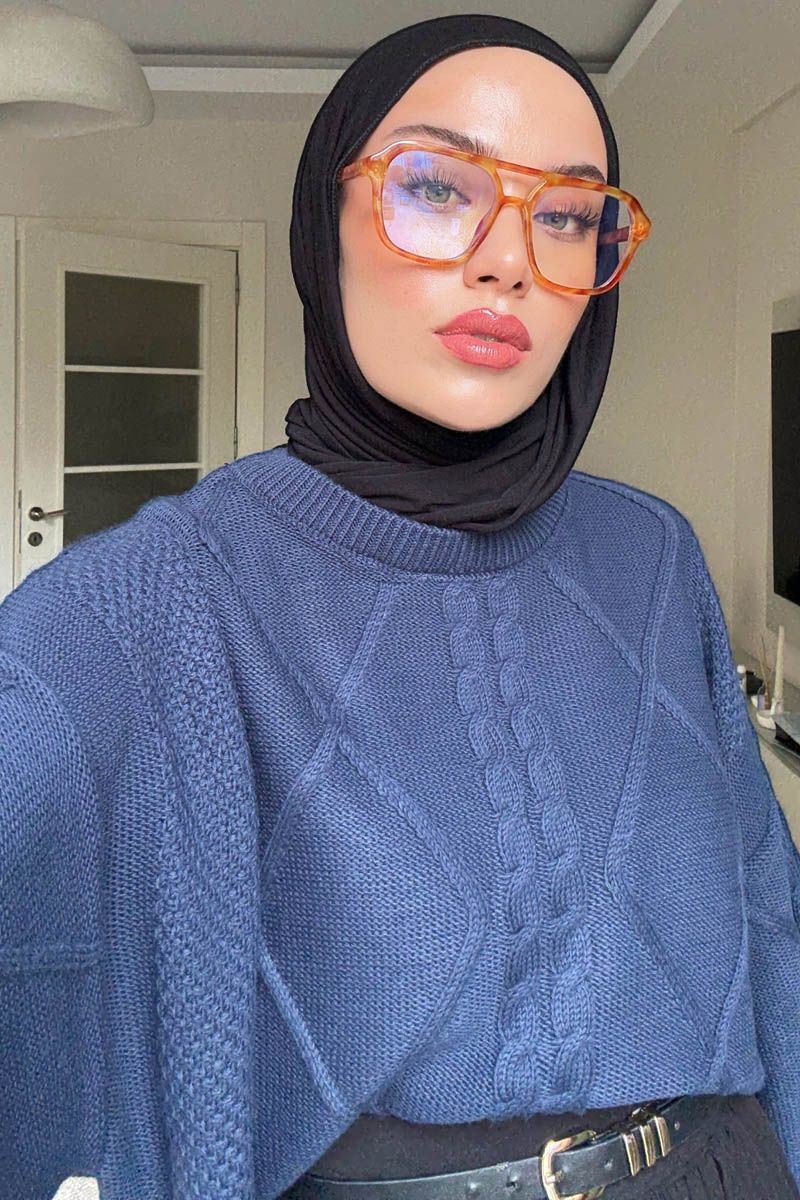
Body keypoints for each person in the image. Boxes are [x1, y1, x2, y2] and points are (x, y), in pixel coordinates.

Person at [0, 14, 798, 1200]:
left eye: (565, 215)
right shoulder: (158, 594)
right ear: (320, 222)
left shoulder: (651, 552)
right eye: (434, 187)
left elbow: (766, 921)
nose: (506, 259)